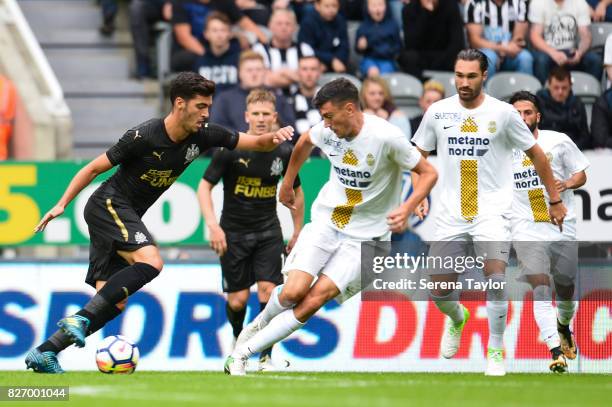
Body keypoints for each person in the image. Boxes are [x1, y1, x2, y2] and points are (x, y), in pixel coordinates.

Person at [24, 72, 294, 374]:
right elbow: (93, 168)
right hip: (108, 205)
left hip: (122, 214)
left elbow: (255, 142)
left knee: (112, 302)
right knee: (152, 261)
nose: (207, 114)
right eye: (201, 106)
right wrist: (62, 204)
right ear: (180, 103)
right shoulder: (144, 135)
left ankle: (46, 352)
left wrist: (274, 137)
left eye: (209, 107)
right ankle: (76, 322)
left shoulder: (204, 135)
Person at [224, 78, 439, 375]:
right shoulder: (326, 131)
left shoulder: (387, 137)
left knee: (315, 299)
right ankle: (255, 329)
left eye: (329, 116)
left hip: (367, 239)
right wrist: (287, 183)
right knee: (291, 293)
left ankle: (243, 353)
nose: (325, 124)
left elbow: (427, 172)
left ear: (349, 109)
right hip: (327, 222)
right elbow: (303, 142)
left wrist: (409, 205)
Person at [411, 49, 567, 376]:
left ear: (485, 76)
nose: (463, 83)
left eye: (471, 76)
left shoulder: (504, 114)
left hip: (493, 212)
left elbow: (538, 156)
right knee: (438, 290)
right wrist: (418, 193)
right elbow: (417, 156)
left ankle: (495, 350)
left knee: (495, 277)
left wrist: (554, 199)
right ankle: (457, 318)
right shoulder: (438, 112)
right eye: (459, 75)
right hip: (451, 214)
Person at [198, 89, 304, 371]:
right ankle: (238, 339)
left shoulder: (284, 150)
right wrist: (213, 227)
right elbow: (204, 187)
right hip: (232, 233)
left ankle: (264, 355)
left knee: (269, 294)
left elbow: (296, 191)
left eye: (265, 114)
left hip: (268, 231)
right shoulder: (231, 148)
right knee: (237, 300)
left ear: (275, 117)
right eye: (255, 114)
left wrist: (297, 231)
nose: (260, 119)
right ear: (246, 117)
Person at [509, 90, 588, 373]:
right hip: (526, 227)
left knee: (565, 288)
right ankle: (556, 352)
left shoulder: (559, 141)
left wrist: (566, 184)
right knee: (540, 288)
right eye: (516, 113)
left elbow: (581, 173)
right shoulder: (503, 148)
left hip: (562, 226)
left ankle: (563, 325)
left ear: (537, 116)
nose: (521, 117)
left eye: (527, 112)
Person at [210, 51, 296, 133]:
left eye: (258, 70)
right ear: (239, 73)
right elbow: (216, 130)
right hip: (235, 147)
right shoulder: (224, 99)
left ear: (265, 72)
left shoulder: (278, 99)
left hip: (271, 146)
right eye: (249, 70)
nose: (254, 74)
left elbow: (291, 131)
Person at [529, 0, 602, 84]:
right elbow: (535, 36)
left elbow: (586, 35)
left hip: (571, 50)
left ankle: (590, 92)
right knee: (541, 60)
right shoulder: (538, 2)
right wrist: (553, 53)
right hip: (548, 51)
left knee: (594, 60)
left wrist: (580, 52)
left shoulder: (580, 3)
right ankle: (544, 94)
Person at [252, 8, 315, 95]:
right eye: (279, 23)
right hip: (269, 99)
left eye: (288, 23)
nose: (284, 27)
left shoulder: (305, 49)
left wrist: (278, 74)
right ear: (270, 26)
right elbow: (263, 79)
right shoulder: (259, 49)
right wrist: (296, 76)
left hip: (300, 99)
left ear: (295, 27)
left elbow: (311, 77)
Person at [465, 0, 533, 79]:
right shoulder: (474, 3)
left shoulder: (519, 3)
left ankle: (524, 90)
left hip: (510, 52)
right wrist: (502, 48)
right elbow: (475, 41)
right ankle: (485, 90)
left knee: (525, 58)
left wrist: (509, 48)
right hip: (485, 51)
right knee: (490, 58)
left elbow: (519, 37)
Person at [398, 0, 465, 79]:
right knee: (408, 58)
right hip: (422, 57)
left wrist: (443, 60)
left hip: (446, 56)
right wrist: (424, 13)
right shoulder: (408, 10)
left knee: (460, 58)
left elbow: (458, 43)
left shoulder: (451, 5)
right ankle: (418, 89)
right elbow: (411, 44)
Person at [536, 66, 591, 150]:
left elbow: (585, 136)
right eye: (556, 87)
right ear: (549, 86)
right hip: (545, 150)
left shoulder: (577, 104)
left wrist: (572, 149)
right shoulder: (538, 102)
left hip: (572, 149)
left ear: (570, 86)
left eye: (564, 88)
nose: (560, 92)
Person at [193, 11, 242, 93]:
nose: (219, 35)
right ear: (206, 34)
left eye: (223, 30)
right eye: (214, 30)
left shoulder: (240, 58)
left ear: (229, 33)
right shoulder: (199, 61)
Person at [298, 0, 350, 73]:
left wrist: (337, 61)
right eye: (327, 6)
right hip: (315, 66)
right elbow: (307, 49)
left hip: (337, 65)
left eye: (334, 6)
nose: (331, 10)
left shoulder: (340, 21)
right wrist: (330, 60)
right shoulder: (308, 22)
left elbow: (344, 47)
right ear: (317, 6)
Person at [355, 0, 402, 77]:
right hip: (369, 59)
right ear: (367, 8)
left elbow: (398, 47)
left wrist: (389, 50)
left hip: (387, 60)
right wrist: (360, 46)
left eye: (380, 5)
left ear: (386, 6)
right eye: (373, 5)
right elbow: (357, 50)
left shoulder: (393, 25)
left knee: (385, 73)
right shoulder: (363, 26)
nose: (377, 9)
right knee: (373, 71)